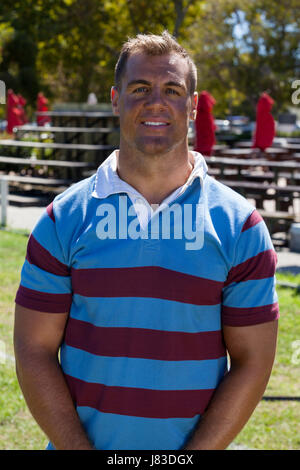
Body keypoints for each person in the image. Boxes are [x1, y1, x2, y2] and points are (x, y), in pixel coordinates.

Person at [14, 31, 279, 451]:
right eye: (140, 88)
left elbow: (253, 361)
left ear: (192, 107)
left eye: (172, 90)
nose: (156, 101)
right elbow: (33, 349)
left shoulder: (240, 226)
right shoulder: (62, 219)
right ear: (116, 100)